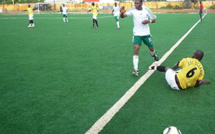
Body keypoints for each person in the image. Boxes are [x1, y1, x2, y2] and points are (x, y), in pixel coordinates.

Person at [120, 0, 159, 76]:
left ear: (141, 3)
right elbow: (122, 17)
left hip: (146, 34)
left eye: (137, 3)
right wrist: (121, 13)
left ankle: (153, 54)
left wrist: (148, 21)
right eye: (135, 3)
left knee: (151, 48)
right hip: (137, 34)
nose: (136, 5)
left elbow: (154, 20)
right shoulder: (132, 10)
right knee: (136, 49)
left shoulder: (146, 10)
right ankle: (136, 70)